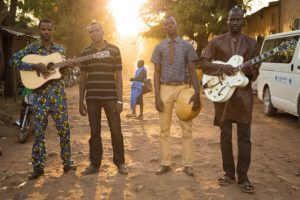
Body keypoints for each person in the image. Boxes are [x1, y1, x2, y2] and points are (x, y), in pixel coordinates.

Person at [198, 7, 260, 193]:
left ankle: (244, 177)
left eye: (238, 19)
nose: (235, 23)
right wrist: (222, 68)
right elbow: (202, 62)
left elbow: (255, 70)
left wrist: (250, 70)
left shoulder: (251, 43)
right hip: (223, 95)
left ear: (243, 21)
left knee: (244, 137)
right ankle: (228, 173)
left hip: (243, 96)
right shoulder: (216, 41)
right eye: (232, 20)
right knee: (225, 136)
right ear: (227, 21)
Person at [9, 19, 77, 180]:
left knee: (64, 130)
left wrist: (69, 65)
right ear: (39, 30)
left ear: (53, 30)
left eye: (49, 29)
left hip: (58, 96)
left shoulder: (60, 50)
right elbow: (13, 60)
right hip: (39, 98)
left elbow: (62, 73)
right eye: (43, 29)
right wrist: (33, 66)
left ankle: (67, 163)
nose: (46, 32)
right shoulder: (32, 48)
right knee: (39, 133)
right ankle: (38, 167)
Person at [151, 16, 201, 177]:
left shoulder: (187, 46)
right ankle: (165, 163)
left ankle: (189, 164)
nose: (169, 26)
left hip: (183, 88)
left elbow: (193, 71)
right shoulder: (159, 47)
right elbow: (156, 73)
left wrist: (197, 93)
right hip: (165, 89)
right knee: (164, 130)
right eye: (166, 24)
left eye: (172, 22)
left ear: (176, 24)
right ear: (164, 28)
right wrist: (157, 96)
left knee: (187, 129)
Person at [79, 21, 128, 175]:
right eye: (91, 32)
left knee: (116, 131)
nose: (94, 34)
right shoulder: (85, 52)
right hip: (92, 98)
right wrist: (81, 100)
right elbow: (83, 77)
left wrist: (120, 99)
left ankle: (120, 162)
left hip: (111, 97)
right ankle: (94, 164)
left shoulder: (114, 50)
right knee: (94, 132)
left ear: (102, 31)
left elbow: (118, 75)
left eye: (96, 30)